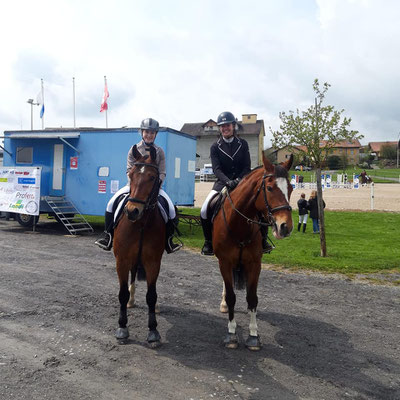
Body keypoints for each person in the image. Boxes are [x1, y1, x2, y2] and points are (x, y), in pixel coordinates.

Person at [95, 118, 181, 253]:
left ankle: (169, 240)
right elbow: (129, 170)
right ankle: (108, 236)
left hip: (153, 188)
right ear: (142, 132)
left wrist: (156, 187)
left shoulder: (159, 152)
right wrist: (134, 186)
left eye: (152, 133)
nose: (149, 135)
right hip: (133, 186)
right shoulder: (134, 149)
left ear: (155, 134)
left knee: (170, 209)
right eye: (147, 132)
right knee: (111, 204)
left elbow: (162, 172)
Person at [200, 111, 272, 255]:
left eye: (227, 125)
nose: (225, 128)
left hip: (243, 182)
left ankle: (263, 240)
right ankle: (208, 242)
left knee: (259, 207)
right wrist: (228, 181)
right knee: (204, 209)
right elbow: (216, 169)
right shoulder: (215, 147)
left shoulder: (243, 144)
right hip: (222, 183)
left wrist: (239, 180)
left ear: (233, 126)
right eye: (222, 126)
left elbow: (246, 166)